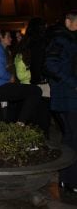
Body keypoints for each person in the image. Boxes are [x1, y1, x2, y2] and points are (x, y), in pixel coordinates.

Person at [45, 10, 77, 193]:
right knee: (73, 138)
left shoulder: (66, 37)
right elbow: (50, 65)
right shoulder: (61, 39)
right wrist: (74, 83)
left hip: (67, 96)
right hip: (68, 96)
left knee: (70, 139)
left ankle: (67, 180)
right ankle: (70, 181)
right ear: (68, 21)